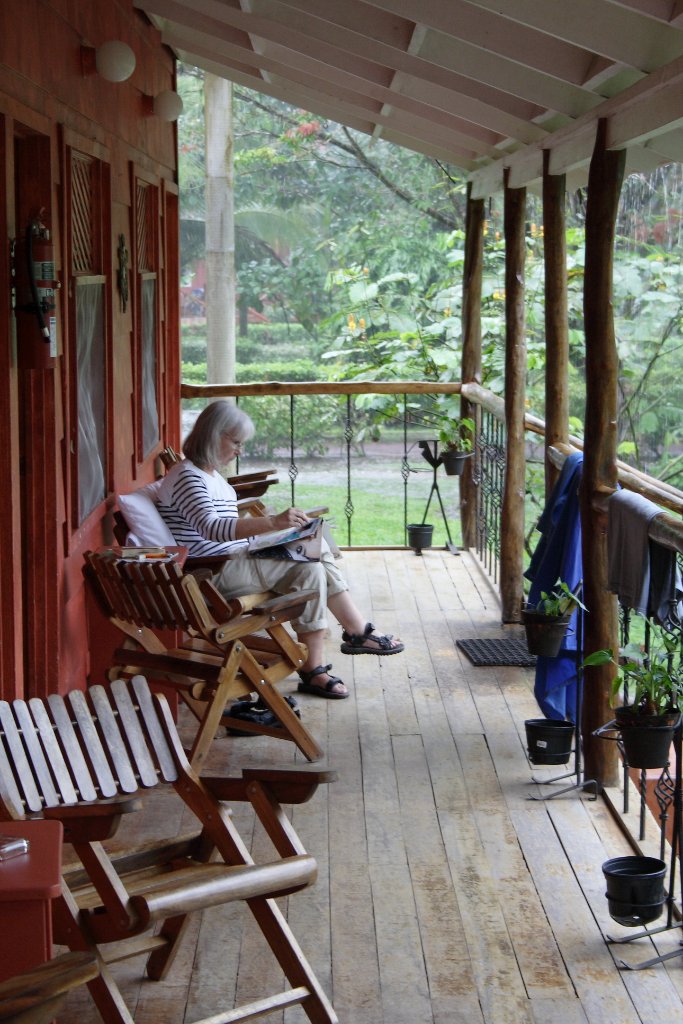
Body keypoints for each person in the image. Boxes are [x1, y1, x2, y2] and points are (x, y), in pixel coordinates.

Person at [156, 400, 404, 699]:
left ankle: (314, 670)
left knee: (311, 565)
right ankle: (357, 630)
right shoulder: (187, 476)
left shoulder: (209, 475)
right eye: (235, 442)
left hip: (233, 560)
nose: (239, 450)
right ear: (213, 435)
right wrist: (272, 522)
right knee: (314, 545)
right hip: (211, 572)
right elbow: (213, 529)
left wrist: (271, 533)